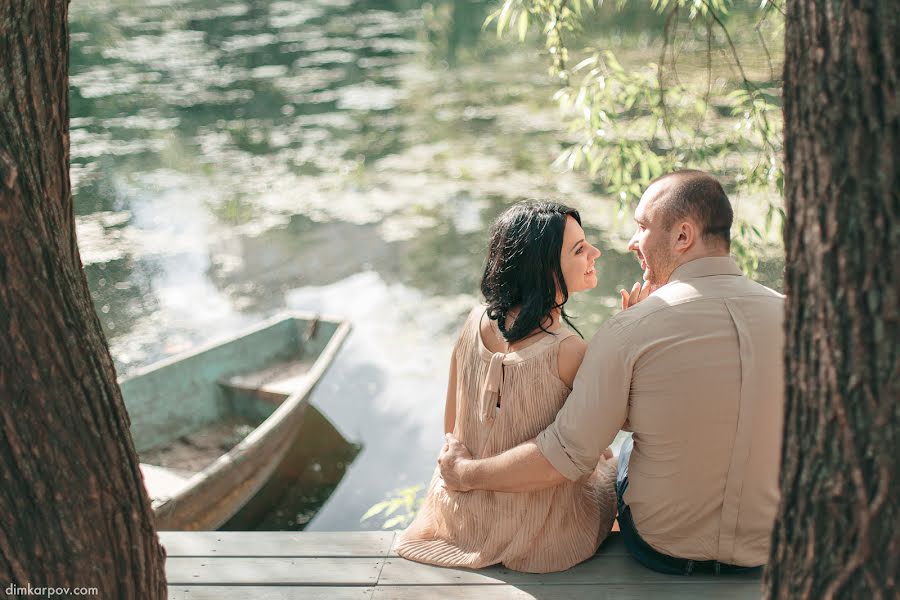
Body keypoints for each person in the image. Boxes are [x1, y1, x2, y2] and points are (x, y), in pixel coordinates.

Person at [439, 170, 785, 575]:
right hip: (773, 545)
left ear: (682, 236)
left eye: (641, 227)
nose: (631, 242)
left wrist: (464, 473)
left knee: (622, 452)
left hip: (663, 547)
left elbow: (563, 457)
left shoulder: (631, 329)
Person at [395, 201, 618, 573]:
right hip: (542, 534)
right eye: (580, 249)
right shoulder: (569, 351)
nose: (594, 252)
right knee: (616, 464)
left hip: (463, 519)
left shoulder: (472, 321)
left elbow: (451, 426)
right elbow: (582, 456)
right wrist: (631, 329)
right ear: (546, 270)